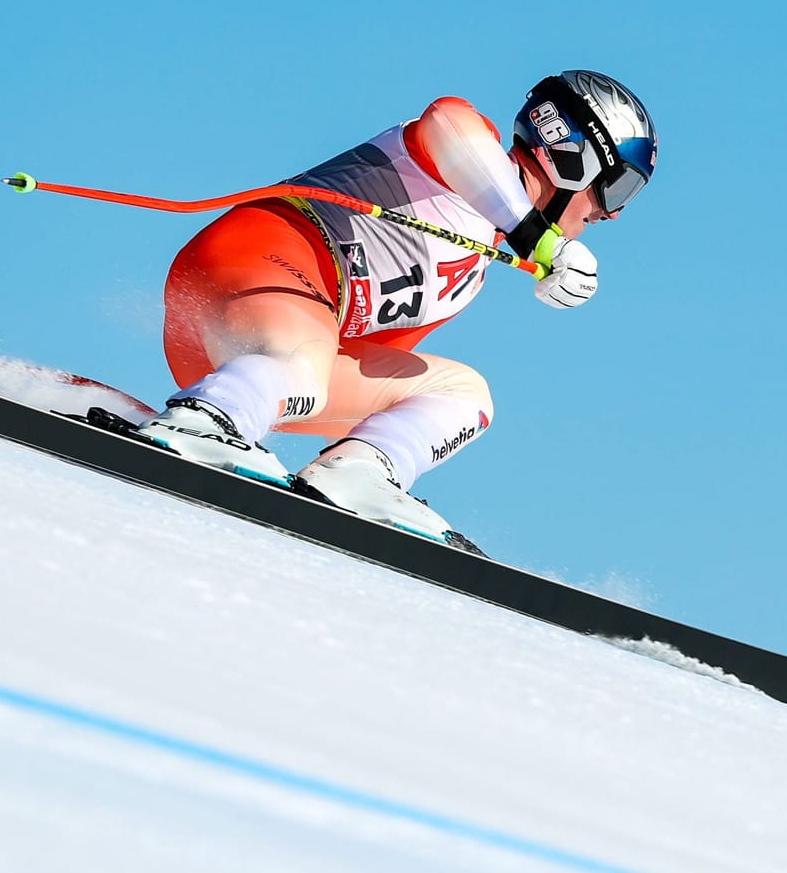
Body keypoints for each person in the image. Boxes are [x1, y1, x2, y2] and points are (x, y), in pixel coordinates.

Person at [137, 70, 656, 549]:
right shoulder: (469, 151)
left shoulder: (468, 275)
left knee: (465, 394)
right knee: (303, 362)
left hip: (246, 369)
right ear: (573, 155)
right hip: (248, 268)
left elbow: (359, 357)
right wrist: (539, 242)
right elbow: (446, 123)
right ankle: (203, 421)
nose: (610, 214)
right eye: (618, 188)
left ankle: (359, 472)